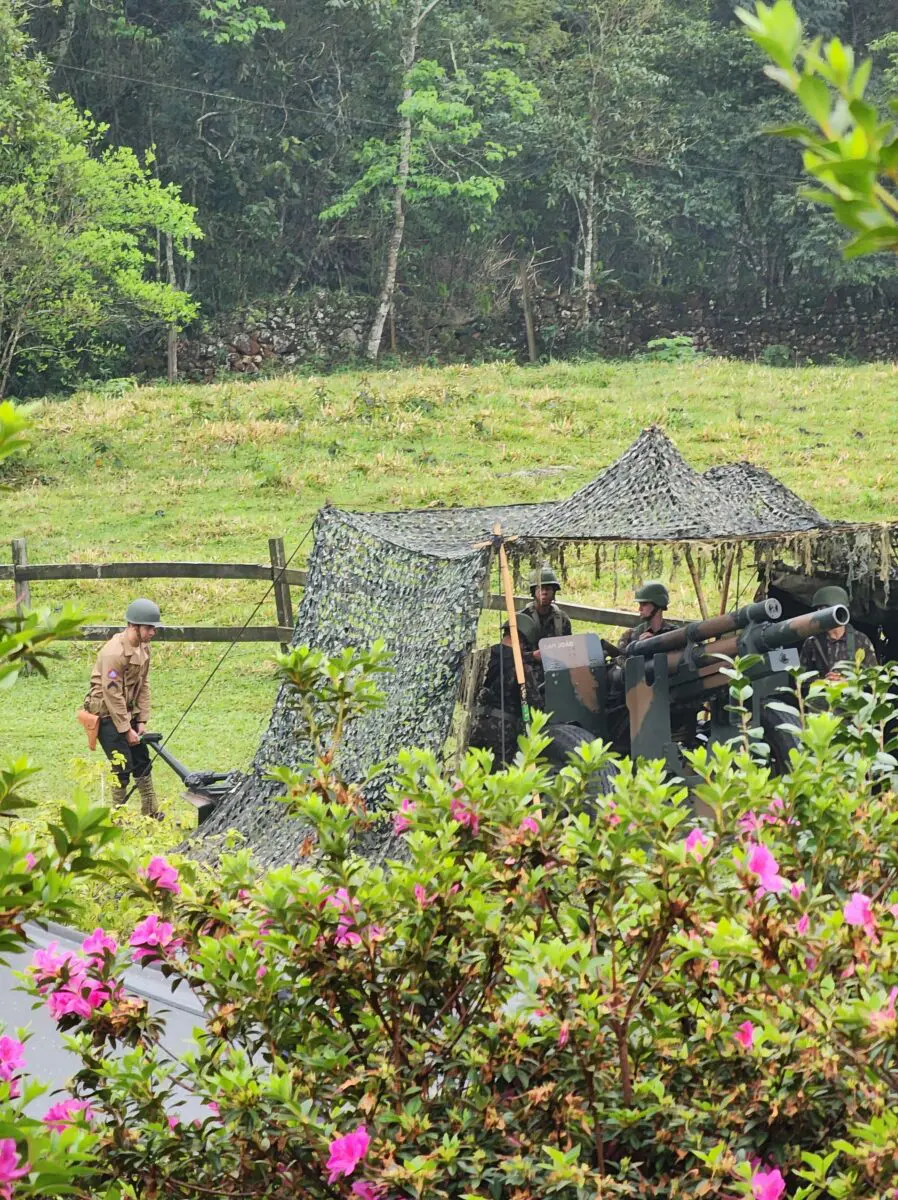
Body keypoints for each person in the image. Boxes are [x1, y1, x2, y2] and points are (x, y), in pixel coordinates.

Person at [82, 598, 163, 818]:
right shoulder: (113, 652)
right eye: (148, 628)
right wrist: (126, 729)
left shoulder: (144, 648)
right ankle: (118, 818)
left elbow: (144, 684)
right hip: (107, 713)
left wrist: (142, 720)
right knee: (122, 766)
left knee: (143, 762)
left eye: (153, 628)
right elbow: (112, 693)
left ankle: (151, 812)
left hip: (127, 712)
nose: (152, 633)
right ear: (133, 627)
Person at [469, 613, 541, 766]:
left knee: (470, 779)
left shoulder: (481, 657)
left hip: (475, 726)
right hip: (501, 736)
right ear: (523, 641)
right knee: (497, 785)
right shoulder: (521, 670)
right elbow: (533, 707)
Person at [799, 585, 878, 680]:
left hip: (853, 693)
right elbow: (802, 678)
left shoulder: (860, 640)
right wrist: (823, 681)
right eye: (818, 609)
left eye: (824, 609)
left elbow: (873, 676)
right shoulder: (812, 642)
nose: (819, 614)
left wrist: (847, 682)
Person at [616, 581, 677, 654]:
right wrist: (638, 647)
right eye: (640, 604)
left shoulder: (675, 635)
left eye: (644, 604)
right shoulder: (631, 635)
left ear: (658, 604)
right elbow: (619, 659)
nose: (640, 609)